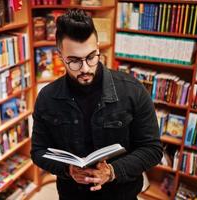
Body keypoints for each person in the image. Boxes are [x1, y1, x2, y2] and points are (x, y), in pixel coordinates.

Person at [31, 9, 163, 200]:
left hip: (121, 195)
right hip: (72, 195)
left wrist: (111, 171)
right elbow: (38, 151)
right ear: (60, 56)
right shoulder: (47, 97)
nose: (85, 68)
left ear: (98, 48)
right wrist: (68, 169)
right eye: (74, 61)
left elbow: (152, 149)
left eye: (91, 57)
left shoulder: (132, 90)